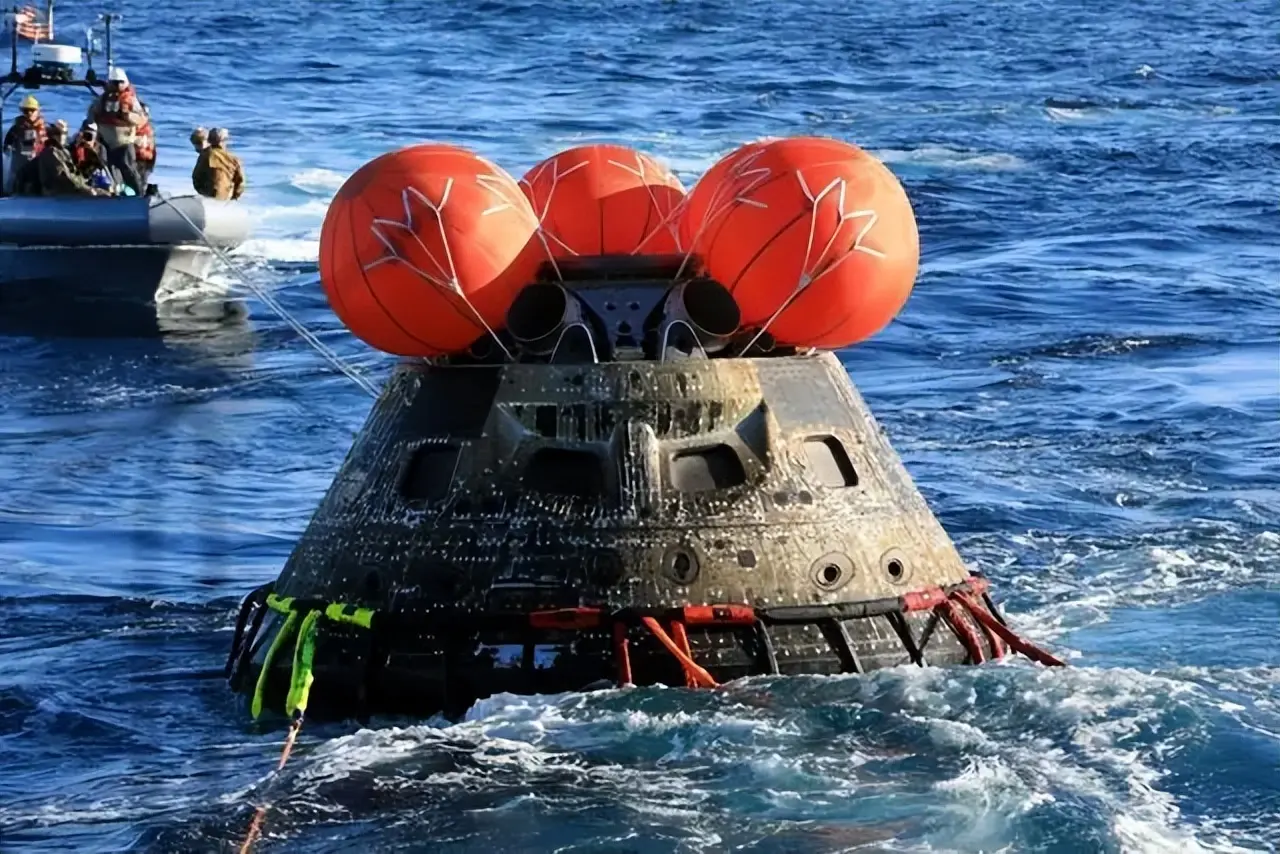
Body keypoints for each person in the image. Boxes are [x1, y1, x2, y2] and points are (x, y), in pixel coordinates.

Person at [86, 66, 147, 194]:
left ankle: (139, 194)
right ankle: (117, 193)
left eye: (120, 82)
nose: (118, 85)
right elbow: (92, 112)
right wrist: (92, 125)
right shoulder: (103, 99)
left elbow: (142, 118)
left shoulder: (131, 100)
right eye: (115, 82)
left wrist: (128, 116)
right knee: (110, 169)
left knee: (128, 168)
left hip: (124, 142)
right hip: (107, 142)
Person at [37, 121, 103, 197]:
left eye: (64, 133)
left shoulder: (64, 151)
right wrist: (87, 189)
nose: (61, 136)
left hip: (70, 189)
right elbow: (66, 177)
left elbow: (74, 173)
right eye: (57, 133)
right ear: (52, 134)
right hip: (57, 192)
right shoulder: (51, 152)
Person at [3, 94, 46, 193]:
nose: (29, 113)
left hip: (39, 167)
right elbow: (6, 146)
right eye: (26, 111)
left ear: (38, 111)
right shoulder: (16, 128)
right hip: (20, 169)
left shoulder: (44, 128)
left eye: (32, 110)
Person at [192, 127, 245, 201]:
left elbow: (196, 177)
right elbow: (240, 183)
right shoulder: (234, 159)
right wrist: (234, 197)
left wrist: (202, 192)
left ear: (209, 140)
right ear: (226, 141)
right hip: (225, 197)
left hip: (208, 196)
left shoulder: (205, 155)